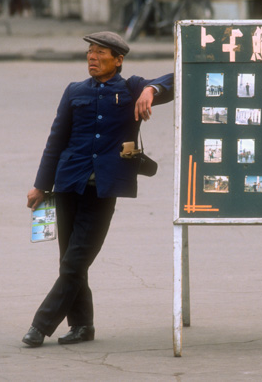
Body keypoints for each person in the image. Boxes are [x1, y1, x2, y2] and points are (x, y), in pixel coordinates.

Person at [21, 31, 174, 348]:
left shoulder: (131, 87)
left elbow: (175, 79)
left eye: (101, 52)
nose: (92, 57)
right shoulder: (74, 91)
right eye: (90, 52)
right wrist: (40, 185)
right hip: (67, 183)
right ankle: (83, 326)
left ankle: (41, 324)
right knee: (70, 260)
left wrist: (150, 89)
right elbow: (56, 141)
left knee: (75, 261)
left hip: (103, 188)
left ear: (118, 60)